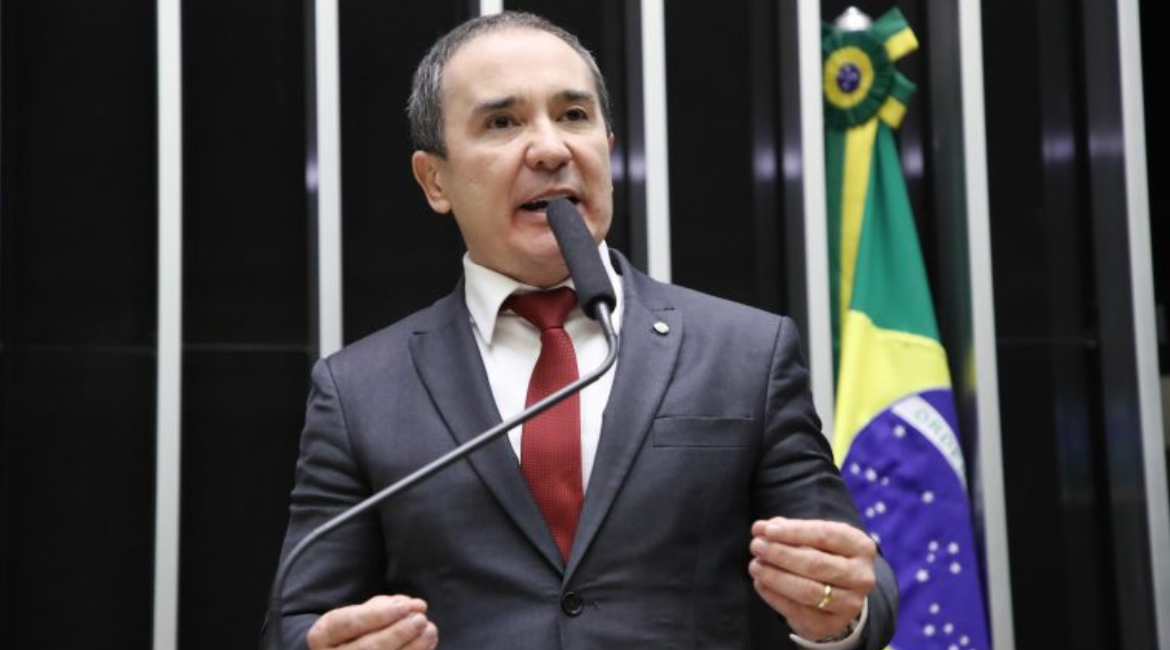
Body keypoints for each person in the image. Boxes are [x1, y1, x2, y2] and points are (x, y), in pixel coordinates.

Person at [265, 11, 897, 650]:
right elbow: (296, 622)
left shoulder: (746, 353)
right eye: (502, 122)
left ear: (608, 150)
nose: (550, 149)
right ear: (435, 180)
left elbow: (858, 585)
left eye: (573, 115)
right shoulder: (359, 390)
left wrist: (839, 615)